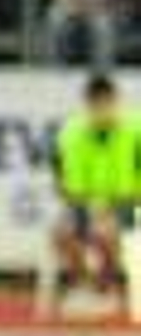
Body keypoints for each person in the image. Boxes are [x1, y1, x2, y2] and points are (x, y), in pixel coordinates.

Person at [50, 72, 141, 312]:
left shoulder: (136, 131)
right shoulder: (72, 134)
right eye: (96, 104)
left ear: (116, 102)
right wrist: (88, 206)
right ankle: (85, 287)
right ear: (88, 105)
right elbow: (66, 184)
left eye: (107, 103)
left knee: (107, 231)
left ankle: (107, 288)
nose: (102, 110)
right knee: (62, 233)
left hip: (131, 204)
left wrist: (118, 204)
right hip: (87, 205)